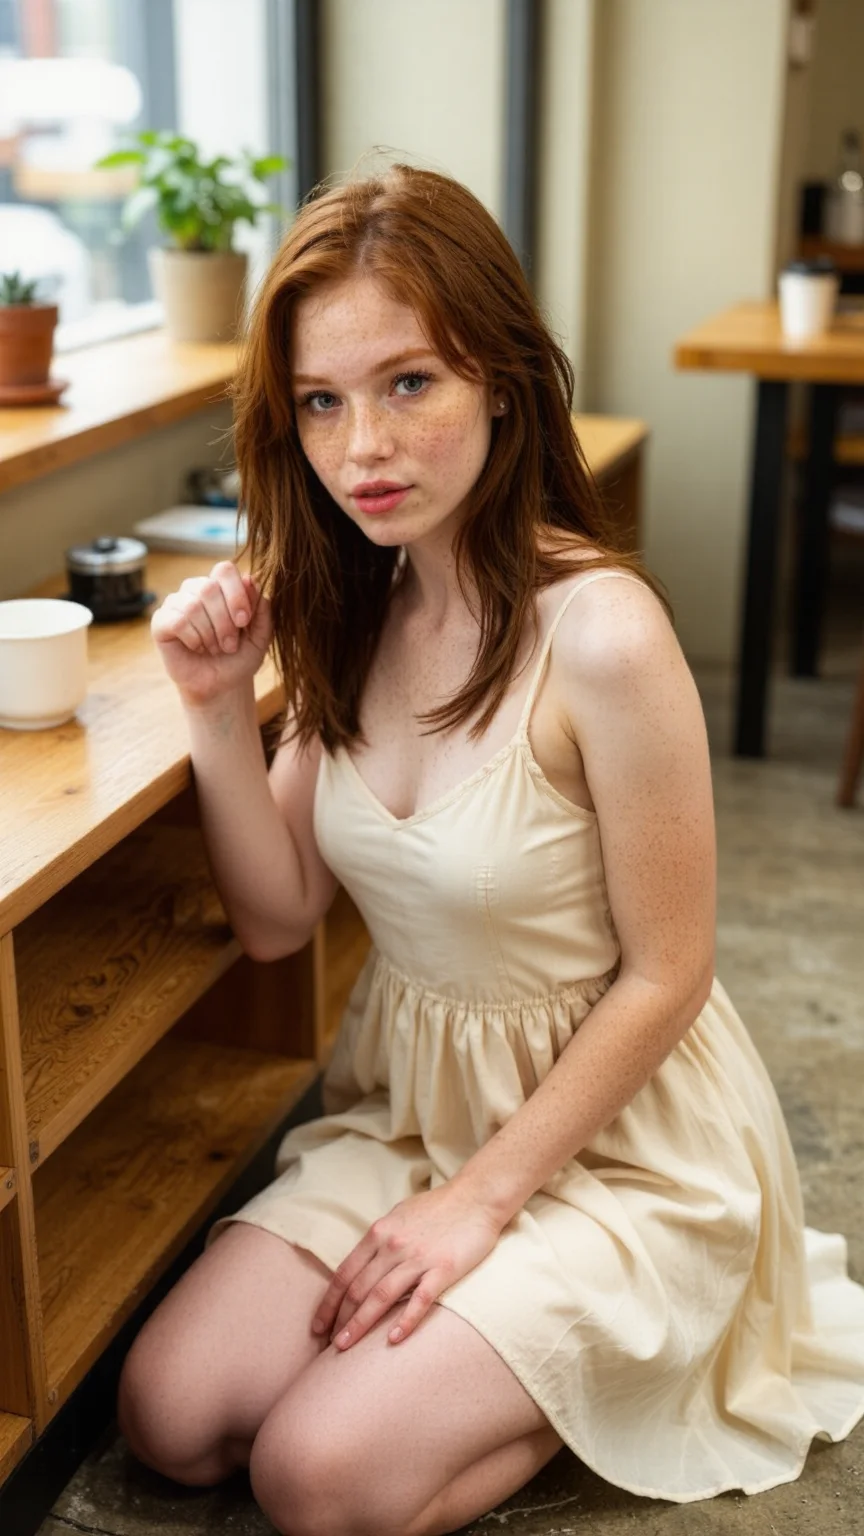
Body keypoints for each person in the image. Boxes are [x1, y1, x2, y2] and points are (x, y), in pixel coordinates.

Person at [116, 163, 864, 1536]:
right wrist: (219, 713)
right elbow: (279, 918)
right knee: (172, 1415)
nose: (364, 450)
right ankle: (472, 1364)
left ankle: (616, 1359)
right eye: (323, 403)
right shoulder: (346, 606)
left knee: (314, 1475)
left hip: (620, 1145)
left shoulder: (605, 634)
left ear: (504, 383)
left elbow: (670, 974)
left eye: (411, 384)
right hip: (413, 1113)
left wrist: (475, 1212)